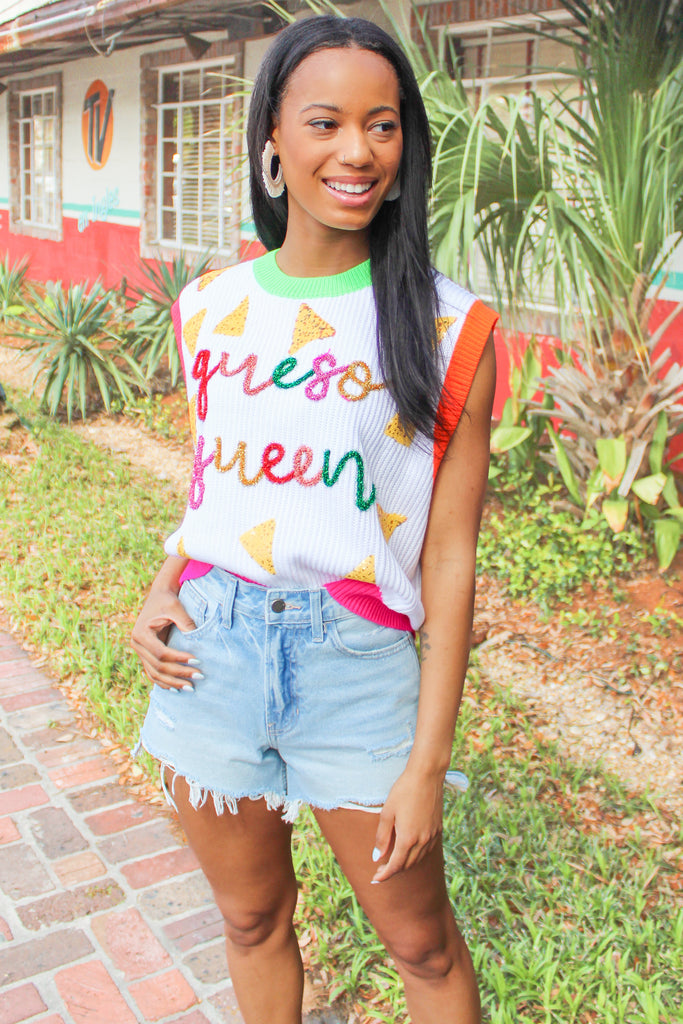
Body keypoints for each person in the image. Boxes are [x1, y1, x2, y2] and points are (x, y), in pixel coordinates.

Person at [131, 15, 497, 1024]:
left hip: (354, 665)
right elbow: (223, 481)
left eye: (381, 127)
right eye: (326, 122)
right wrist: (163, 586)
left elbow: (452, 557)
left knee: (419, 944)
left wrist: (425, 762)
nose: (356, 152)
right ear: (273, 142)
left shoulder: (447, 320)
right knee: (251, 922)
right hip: (213, 659)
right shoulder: (211, 304)